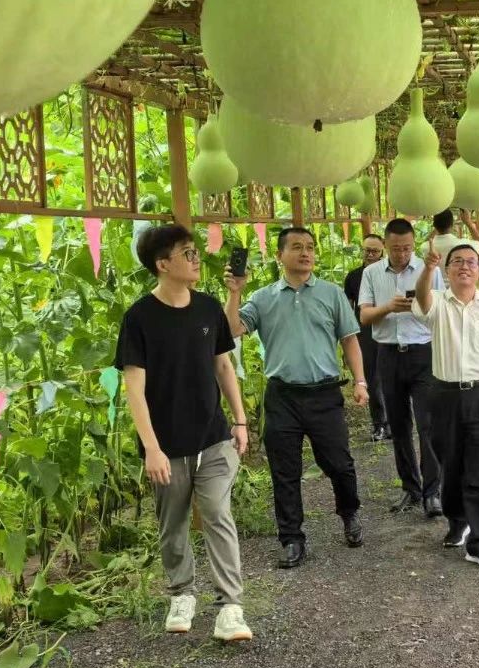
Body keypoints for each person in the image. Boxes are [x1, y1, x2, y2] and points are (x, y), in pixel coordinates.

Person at [116, 225, 251, 642]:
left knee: (217, 513)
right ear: (163, 264)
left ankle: (231, 605)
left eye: (195, 251)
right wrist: (151, 449)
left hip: (213, 436)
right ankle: (182, 592)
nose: (196, 259)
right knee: (172, 522)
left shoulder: (209, 309)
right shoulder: (139, 318)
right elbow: (133, 387)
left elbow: (224, 367)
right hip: (166, 444)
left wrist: (241, 420)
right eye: (187, 253)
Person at [225, 227, 369, 569]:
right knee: (284, 471)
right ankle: (291, 539)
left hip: (324, 392)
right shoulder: (261, 298)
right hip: (282, 396)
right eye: (297, 247)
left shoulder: (332, 294)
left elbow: (349, 339)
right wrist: (234, 293)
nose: (305, 253)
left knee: (339, 463)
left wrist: (360, 381)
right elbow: (231, 330)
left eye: (310, 247)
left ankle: (349, 514)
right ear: (280, 256)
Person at [413, 243, 479, 567]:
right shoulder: (437, 304)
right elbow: (421, 299)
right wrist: (427, 270)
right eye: (456, 262)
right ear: (447, 270)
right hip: (443, 394)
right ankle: (458, 522)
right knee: (450, 463)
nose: (464, 267)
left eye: (471, 262)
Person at [359, 218, 444, 517]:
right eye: (395, 249)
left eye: (407, 248)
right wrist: (388, 308)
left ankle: (433, 492)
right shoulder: (371, 274)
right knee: (399, 426)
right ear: (385, 245)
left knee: (428, 424)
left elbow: (440, 313)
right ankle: (411, 488)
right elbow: (365, 317)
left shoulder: (428, 270)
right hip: (389, 355)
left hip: (423, 354)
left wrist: (418, 308)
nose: (402, 254)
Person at [344, 233, 389, 442]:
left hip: (389, 330)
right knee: (371, 378)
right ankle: (379, 423)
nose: (371, 254)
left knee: (392, 377)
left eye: (375, 251)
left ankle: (395, 421)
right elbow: (348, 309)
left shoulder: (390, 274)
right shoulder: (353, 277)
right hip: (365, 333)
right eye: (367, 250)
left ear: (383, 251)